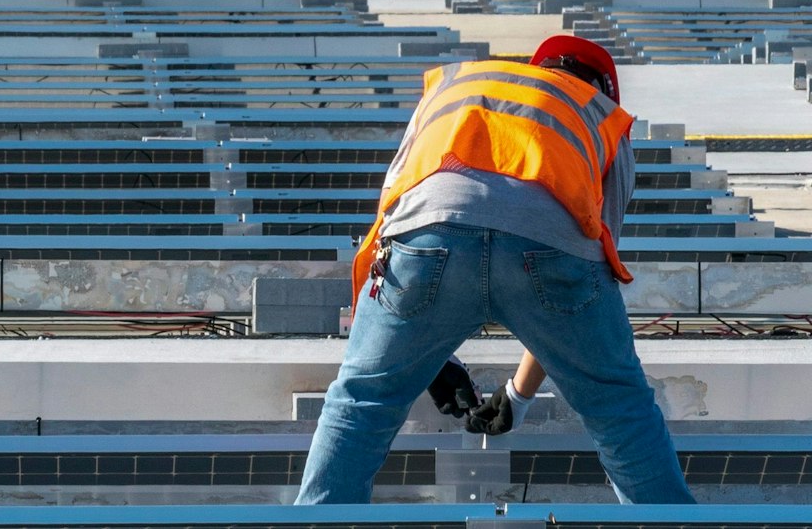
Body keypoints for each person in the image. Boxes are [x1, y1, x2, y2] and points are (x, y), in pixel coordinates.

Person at [296, 35, 693, 504]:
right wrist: (518, 397)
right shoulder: (600, 116)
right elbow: (583, 274)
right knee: (619, 409)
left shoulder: (459, 87)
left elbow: (394, 212)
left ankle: (318, 517)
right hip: (550, 250)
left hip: (426, 238)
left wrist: (432, 359)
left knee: (362, 402)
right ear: (603, 88)